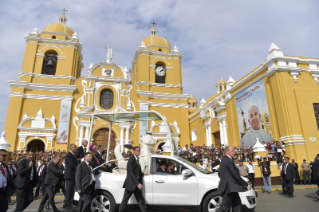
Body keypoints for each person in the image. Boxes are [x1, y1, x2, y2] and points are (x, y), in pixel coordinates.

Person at [216, 146, 250, 212]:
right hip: (230, 188)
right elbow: (235, 174)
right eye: (232, 151)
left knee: (237, 206)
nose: (234, 153)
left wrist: (225, 180)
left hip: (231, 187)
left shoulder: (223, 160)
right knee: (224, 208)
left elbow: (219, 173)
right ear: (227, 152)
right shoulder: (228, 160)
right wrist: (245, 184)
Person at [119, 146, 147, 212]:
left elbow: (137, 171)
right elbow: (131, 172)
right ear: (134, 151)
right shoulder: (131, 159)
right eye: (137, 150)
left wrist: (143, 174)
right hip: (131, 184)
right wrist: (138, 183)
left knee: (141, 201)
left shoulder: (137, 159)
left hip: (136, 184)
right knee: (124, 201)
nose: (138, 152)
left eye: (139, 151)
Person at [64, 144, 78, 209]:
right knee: (69, 190)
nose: (76, 148)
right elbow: (72, 165)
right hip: (70, 175)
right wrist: (79, 169)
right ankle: (68, 203)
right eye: (75, 147)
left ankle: (70, 202)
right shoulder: (69, 155)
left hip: (72, 175)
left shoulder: (73, 155)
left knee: (71, 190)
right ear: (71, 148)